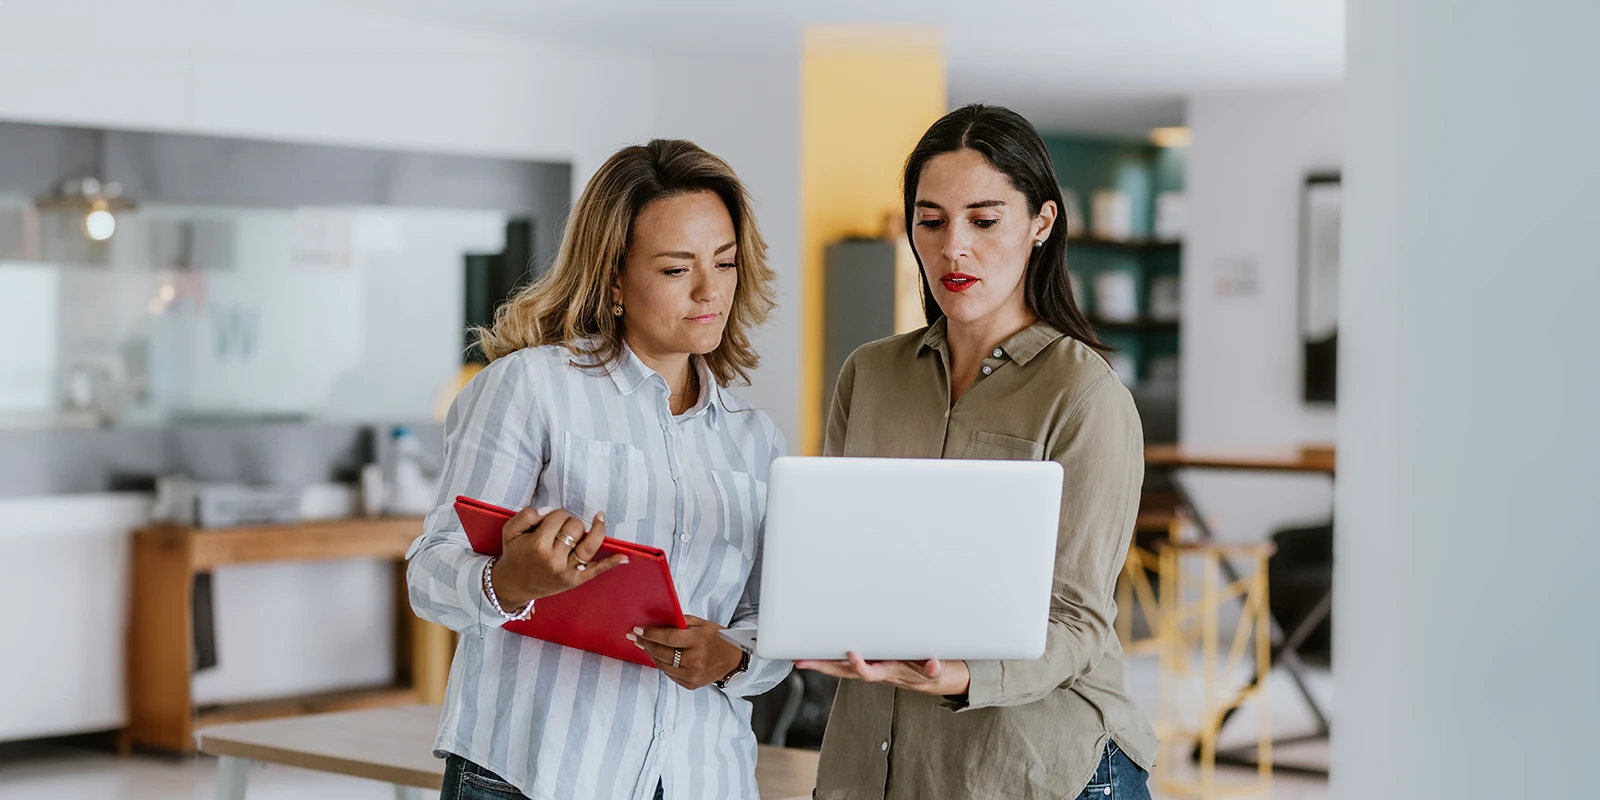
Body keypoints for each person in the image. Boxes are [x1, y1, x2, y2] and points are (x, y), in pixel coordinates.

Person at [407, 139, 790, 800]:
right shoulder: (529, 389)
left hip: (703, 779)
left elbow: (777, 622)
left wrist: (736, 658)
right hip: (537, 775)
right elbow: (429, 574)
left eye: (725, 263)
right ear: (613, 278)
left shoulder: (757, 440)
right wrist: (511, 581)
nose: (710, 290)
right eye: (676, 269)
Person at [799, 104, 1158, 800]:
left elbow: (1079, 620)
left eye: (984, 221)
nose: (952, 248)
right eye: (930, 221)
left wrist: (961, 674)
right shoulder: (868, 374)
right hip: (865, 769)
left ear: (1041, 225)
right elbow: (837, 558)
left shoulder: (1085, 395)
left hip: (1035, 767)